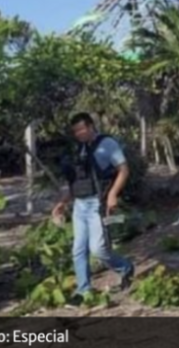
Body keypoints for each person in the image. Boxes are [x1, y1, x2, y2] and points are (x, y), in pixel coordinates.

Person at [52, 112, 134, 306]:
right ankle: (83, 291)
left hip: (98, 204)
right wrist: (62, 203)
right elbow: (78, 182)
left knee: (98, 250)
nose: (78, 134)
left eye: (81, 129)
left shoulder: (107, 144)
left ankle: (125, 267)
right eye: (75, 131)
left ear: (90, 126)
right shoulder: (78, 149)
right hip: (80, 205)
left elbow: (124, 170)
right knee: (78, 249)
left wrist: (113, 194)